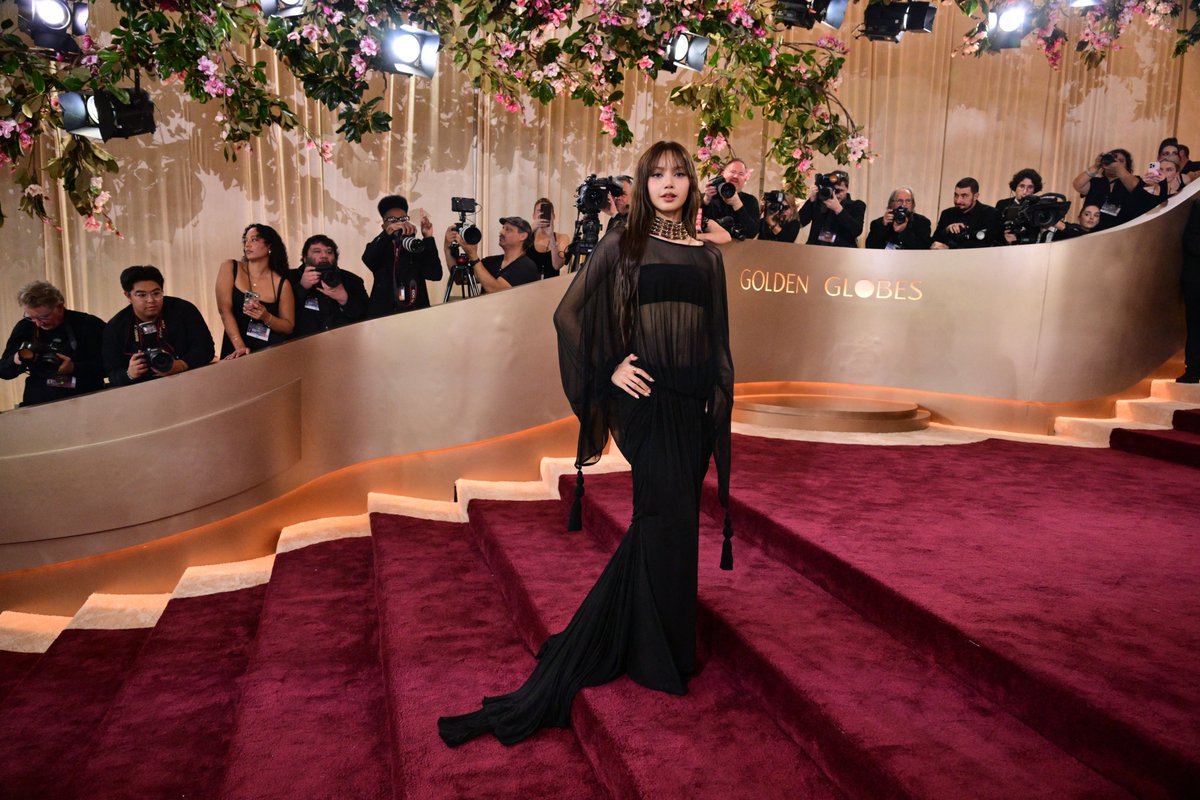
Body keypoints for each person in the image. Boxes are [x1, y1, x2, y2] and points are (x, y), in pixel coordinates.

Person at [438, 139, 734, 748]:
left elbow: (718, 338)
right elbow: (568, 315)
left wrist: (718, 400)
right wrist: (610, 369)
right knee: (661, 517)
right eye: (658, 175)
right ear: (644, 183)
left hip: (692, 406)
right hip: (648, 405)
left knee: (677, 524)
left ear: (692, 184)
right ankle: (653, 654)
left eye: (680, 175)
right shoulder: (621, 244)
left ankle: (662, 643)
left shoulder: (708, 257)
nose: (670, 184)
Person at [103, 265, 214, 386]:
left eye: (156, 293)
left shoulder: (183, 310)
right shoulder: (116, 327)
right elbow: (112, 374)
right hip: (142, 391)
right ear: (128, 296)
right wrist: (129, 373)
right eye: (141, 295)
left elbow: (206, 348)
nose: (151, 300)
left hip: (187, 381)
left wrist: (182, 364)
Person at [0, 280, 106, 406]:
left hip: (85, 400)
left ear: (60, 307)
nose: (38, 323)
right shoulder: (26, 327)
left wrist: (74, 368)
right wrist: (16, 359)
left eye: (44, 317)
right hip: (38, 403)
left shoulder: (87, 324)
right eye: (31, 317)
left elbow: (111, 366)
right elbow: (4, 372)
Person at [215, 223, 295, 359]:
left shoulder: (281, 283)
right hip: (236, 349)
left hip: (270, 352)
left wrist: (266, 317)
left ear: (269, 246)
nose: (247, 245)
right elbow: (224, 310)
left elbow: (288, 326)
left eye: (254, 240)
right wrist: (240, 347)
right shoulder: (230, 267)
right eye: (245, 240)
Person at [362, 195, 442, 317]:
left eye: (403, 218)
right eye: (393, 220)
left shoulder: (415, 246)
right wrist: (387, 234)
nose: (399, 223)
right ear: (384, 226)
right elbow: (368, 258)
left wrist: (428, 238)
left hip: (416, 315)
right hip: (384, 317)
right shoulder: (379, 248)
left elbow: (435, 274)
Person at [288, 235, 369, 336]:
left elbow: (366, 317)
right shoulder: (291, 278)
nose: (324, 255)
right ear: (305, 258)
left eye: (329, 252)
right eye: (317, 251)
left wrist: (344, 298)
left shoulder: (352, 280)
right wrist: (302, 287)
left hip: (344, 343)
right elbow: (283, 319)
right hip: (304, 346)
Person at [444, 216, 540, 293]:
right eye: (503, 228)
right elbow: (459, 278)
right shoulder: (491, 262)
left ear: (523, 236)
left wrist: (473, 256)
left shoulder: (526, 266)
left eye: (508, 229)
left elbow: (497, 291)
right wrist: (447, 247)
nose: (501, 232)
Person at [1070, 148, 1138, 231]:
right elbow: (1078, 185)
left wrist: (1118, 168)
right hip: (1092, 232)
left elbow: (1138, 190)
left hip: (1121, 232)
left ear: (1127, 166)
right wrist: (1096, 166)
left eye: (1121, 161)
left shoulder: (1132, 182)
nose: (1115, 162)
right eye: (1112, 159)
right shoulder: (1096, 182)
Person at [796, 170, 865, 248]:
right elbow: (799, 223)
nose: (836, 195)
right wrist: (811, 200)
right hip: (814, 252)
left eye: (840, 191)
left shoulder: (856, 205)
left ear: (847, 188)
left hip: (842, 254)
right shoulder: (820, 203)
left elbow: (856, 230)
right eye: (834, 191)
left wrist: (838, 209)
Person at [931, 178, 999, 249]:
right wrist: (947, 230)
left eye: (964, 196)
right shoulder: (947, 214)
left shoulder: (991, 214)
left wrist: (950, 248)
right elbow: (934, 243)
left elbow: (985, 245)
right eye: (956, 195)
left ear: (975, 196)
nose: (958, 201)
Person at [702, 158, 761, 239]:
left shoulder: (750, 200)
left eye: (741, 174)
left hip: (739, 250)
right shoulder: (708, 197)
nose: (736, 176)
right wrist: (705, 201)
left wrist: (737, 204)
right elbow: (693, 225)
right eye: (733, 172)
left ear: (745, 179)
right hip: (710, 249)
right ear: (722, 174)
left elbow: (752, 233)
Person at [865, 187, 933, 250]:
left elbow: (925, 248)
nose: (903, 204)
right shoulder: (878, 223)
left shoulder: (922, 222)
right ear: (892, 203)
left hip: (913, 261)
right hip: (886, 261)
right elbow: (870, 247)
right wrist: (883, 226)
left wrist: (903, 232)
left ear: (913, 204)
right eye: (900, 201)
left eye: (908, 201)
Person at [996, 169, 1043, 245]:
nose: (1025, 192)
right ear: (1015, 187)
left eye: (1030, 187)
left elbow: (1036, 234)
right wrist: (1003, 237)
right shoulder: (1002, 204)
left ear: (1034, 190)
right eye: (1022, 186)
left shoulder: (1037, 208)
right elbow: (994, 230)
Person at [1180, 201, 1200, 383]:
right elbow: (1190, 240)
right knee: (1194, 325)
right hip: (1196, 279)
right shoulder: (1198, 206)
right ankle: (1193, 370)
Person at [528, 198, 571, 279]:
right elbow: (514, 257)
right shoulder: (527, 237)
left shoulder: (562, 238)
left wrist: (551, 237)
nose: (542, 214)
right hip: (527, 286)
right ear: (533, 216)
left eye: (547, 212)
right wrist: (530, 229)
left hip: (551, 287)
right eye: (539, 211)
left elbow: (557, 266)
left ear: (553, 216)